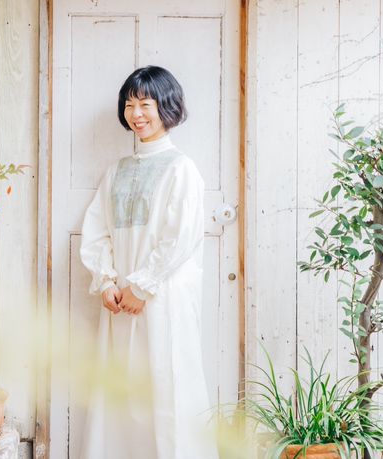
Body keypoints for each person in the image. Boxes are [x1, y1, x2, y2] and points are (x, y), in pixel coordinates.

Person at [78, 66, 218, 458]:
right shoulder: (117, 171)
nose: (136, 114)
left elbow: (180, 237)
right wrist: (106, 281)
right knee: (121, 389)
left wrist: (142, 287)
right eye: (129, 105)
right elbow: (97, 229)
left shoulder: (181, 168)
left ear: (166, 107)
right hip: (121, 302)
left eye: (145, 104)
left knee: (166, 387)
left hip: (163, 298)